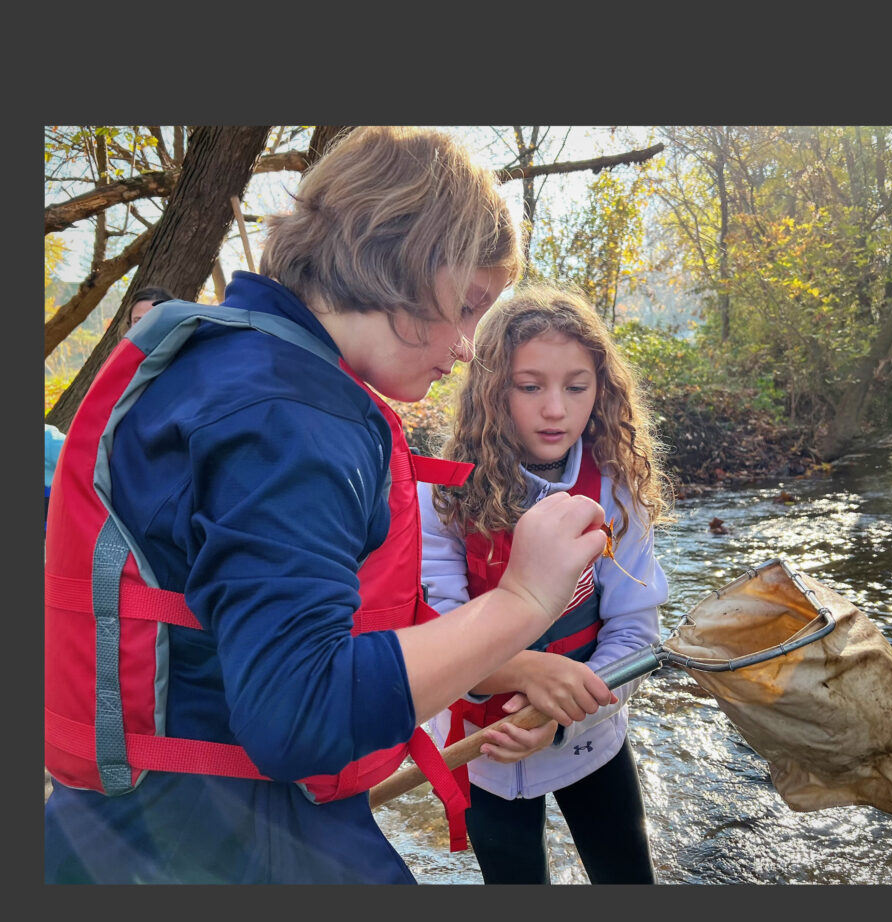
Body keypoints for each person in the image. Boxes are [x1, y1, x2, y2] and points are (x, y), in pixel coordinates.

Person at [43, 126, 614, 884]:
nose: (472, 345)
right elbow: (298, 713)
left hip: (126, 830)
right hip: (227, 843)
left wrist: (503, 666)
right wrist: (523, 599)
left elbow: (284, 612)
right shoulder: (293, 415)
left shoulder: (233, 364)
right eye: (470, 305)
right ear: (403, 262)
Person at [420, 285, 669, 884]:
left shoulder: (616, 490)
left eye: (576, 387)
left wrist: (561, 716)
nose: (555, 409)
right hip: (482, 752)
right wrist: (519, 681)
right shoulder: (442, 497)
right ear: (490, 389)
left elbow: (636, 631)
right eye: (529, 387)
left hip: (590, 735)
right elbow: (431, 637)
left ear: (600, 390)